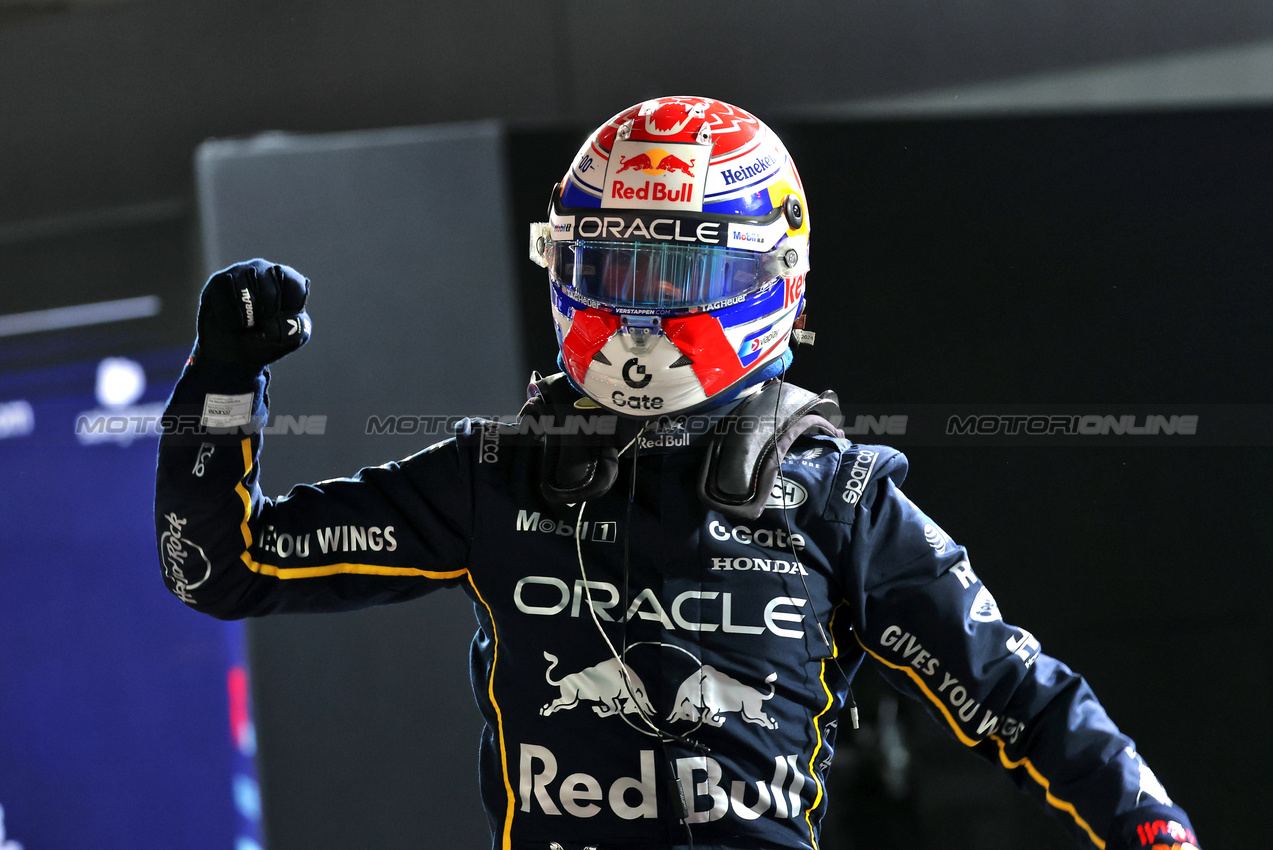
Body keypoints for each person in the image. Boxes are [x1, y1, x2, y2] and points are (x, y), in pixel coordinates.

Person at [155, 96, 1200, 850]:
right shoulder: (499, 475)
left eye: (677, 273)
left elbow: (1021, 696)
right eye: (610, 270)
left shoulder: (835, 498)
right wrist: (222, 382)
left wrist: (1152, 829)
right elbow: (220, 567)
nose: (639, 311)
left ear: (768, 279)